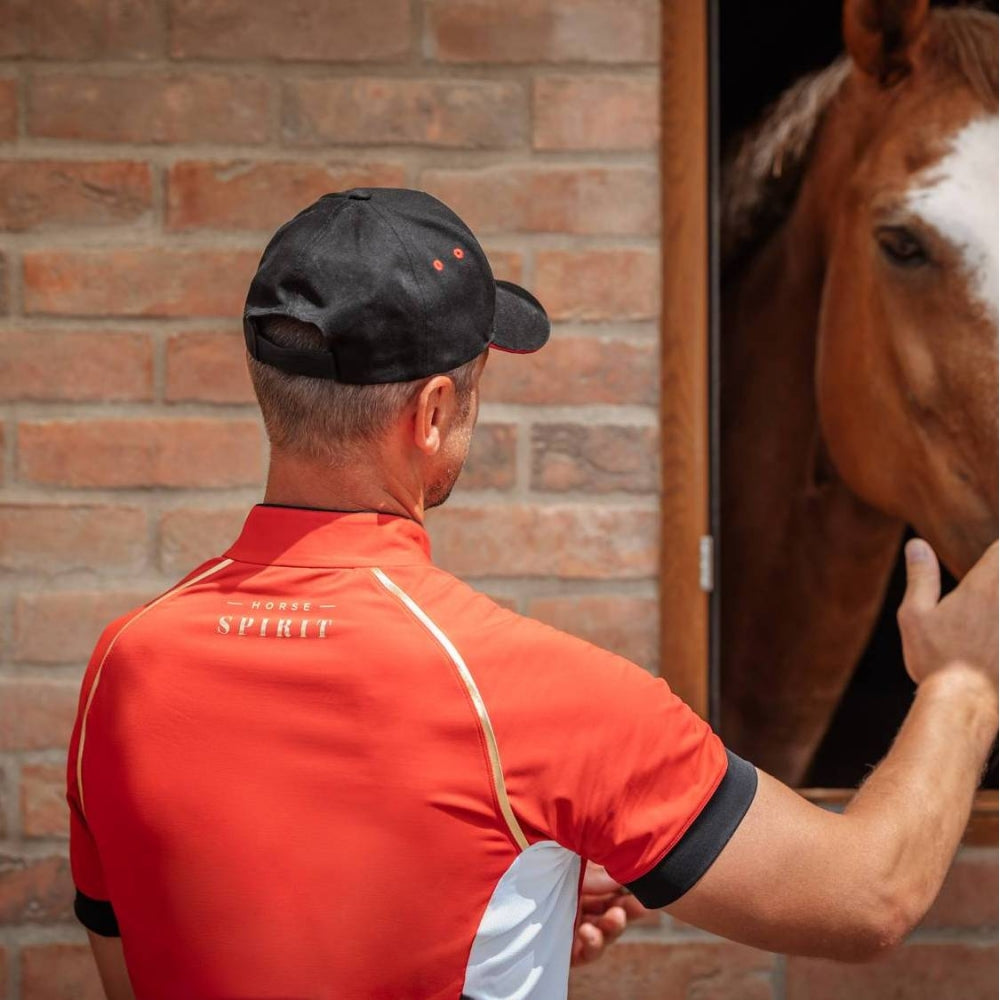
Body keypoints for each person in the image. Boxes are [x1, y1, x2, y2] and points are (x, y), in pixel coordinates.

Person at [67, 188, 999, 1000]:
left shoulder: (124, 667)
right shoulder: (539, 700)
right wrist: (963, 683)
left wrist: (510, 919)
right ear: (433, 413)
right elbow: (866, 897)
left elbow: (141, 967)